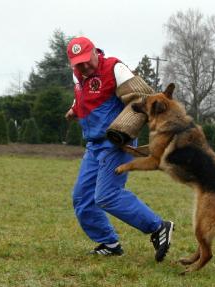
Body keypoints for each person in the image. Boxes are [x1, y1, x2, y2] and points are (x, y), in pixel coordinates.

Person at [65, 36, 174, 261]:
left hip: (115, 143)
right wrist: (75, 109)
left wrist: (129, 128)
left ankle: (158, 227)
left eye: (87, 60)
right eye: (78, 63)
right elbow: (84, 97)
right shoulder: (78, 76)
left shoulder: (114, 68)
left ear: (95, 52)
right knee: (82, 198)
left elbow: (144, 97)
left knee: (107, 195)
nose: (84, 66)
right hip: (94, 145)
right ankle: (109, 242)